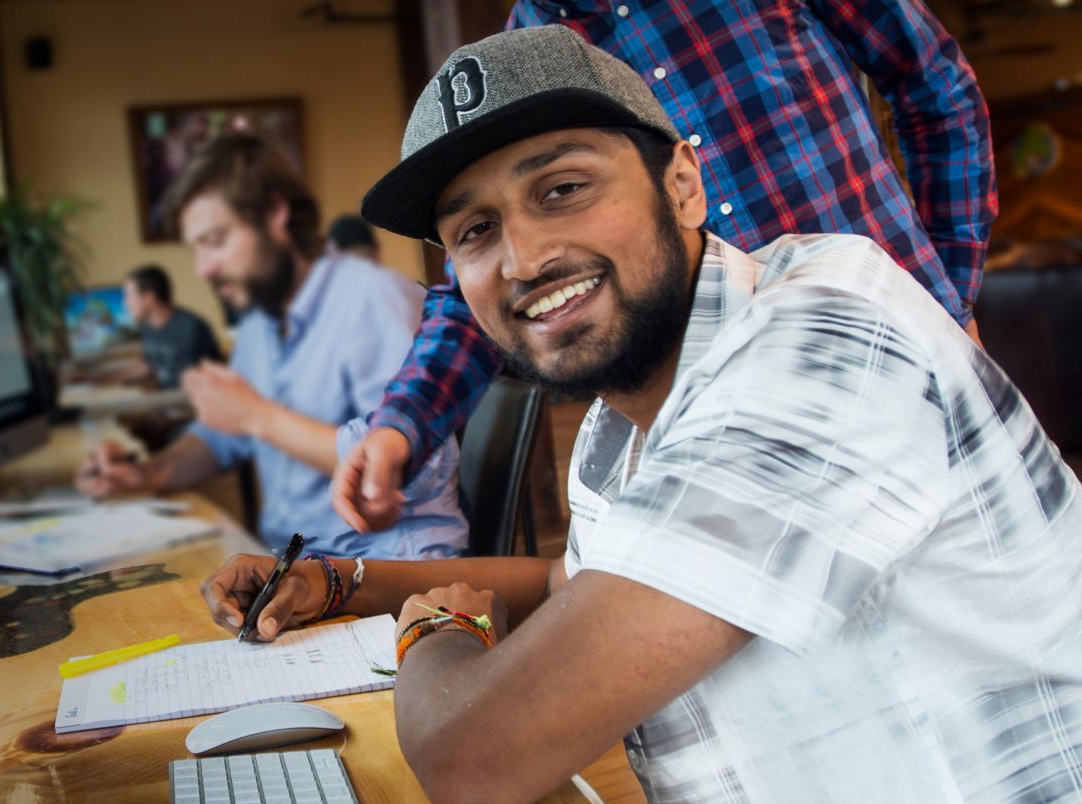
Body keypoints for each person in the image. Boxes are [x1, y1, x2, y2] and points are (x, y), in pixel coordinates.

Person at [202, 27, 1081, 802]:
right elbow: (574, 586)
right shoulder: (617, 423)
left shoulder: (824, 336)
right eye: (474, 231)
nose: (526, 258)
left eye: (562, 189)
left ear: (685, 185)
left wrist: (439, 626)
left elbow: (474, 761)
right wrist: (344, 583)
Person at [331, 0, 997, 536]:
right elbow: (489, 267)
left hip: (895, 350)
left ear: (686, 180)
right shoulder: (527, 62)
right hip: (723, 423)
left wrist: (947, 298)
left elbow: (933, 84)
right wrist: (404, 421)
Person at [75, 133, 466, 560]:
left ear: (275, 213)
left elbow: (411, 467)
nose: (203, 268)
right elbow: (223, 437)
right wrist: (146, 472)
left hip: (387, 573)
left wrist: (259, 417)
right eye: (196, 249)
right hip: (299, 566)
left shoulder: (373, 298)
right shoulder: (260, 322)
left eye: (215, 240)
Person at [118, 264, 222, 388]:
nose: (125, 303)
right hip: (169, 401)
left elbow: (203, 382)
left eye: (128, 296)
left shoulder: (190, 328)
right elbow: (149, 366)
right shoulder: (147, 326)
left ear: (149, 298)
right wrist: (101, 379)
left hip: (189, 402)